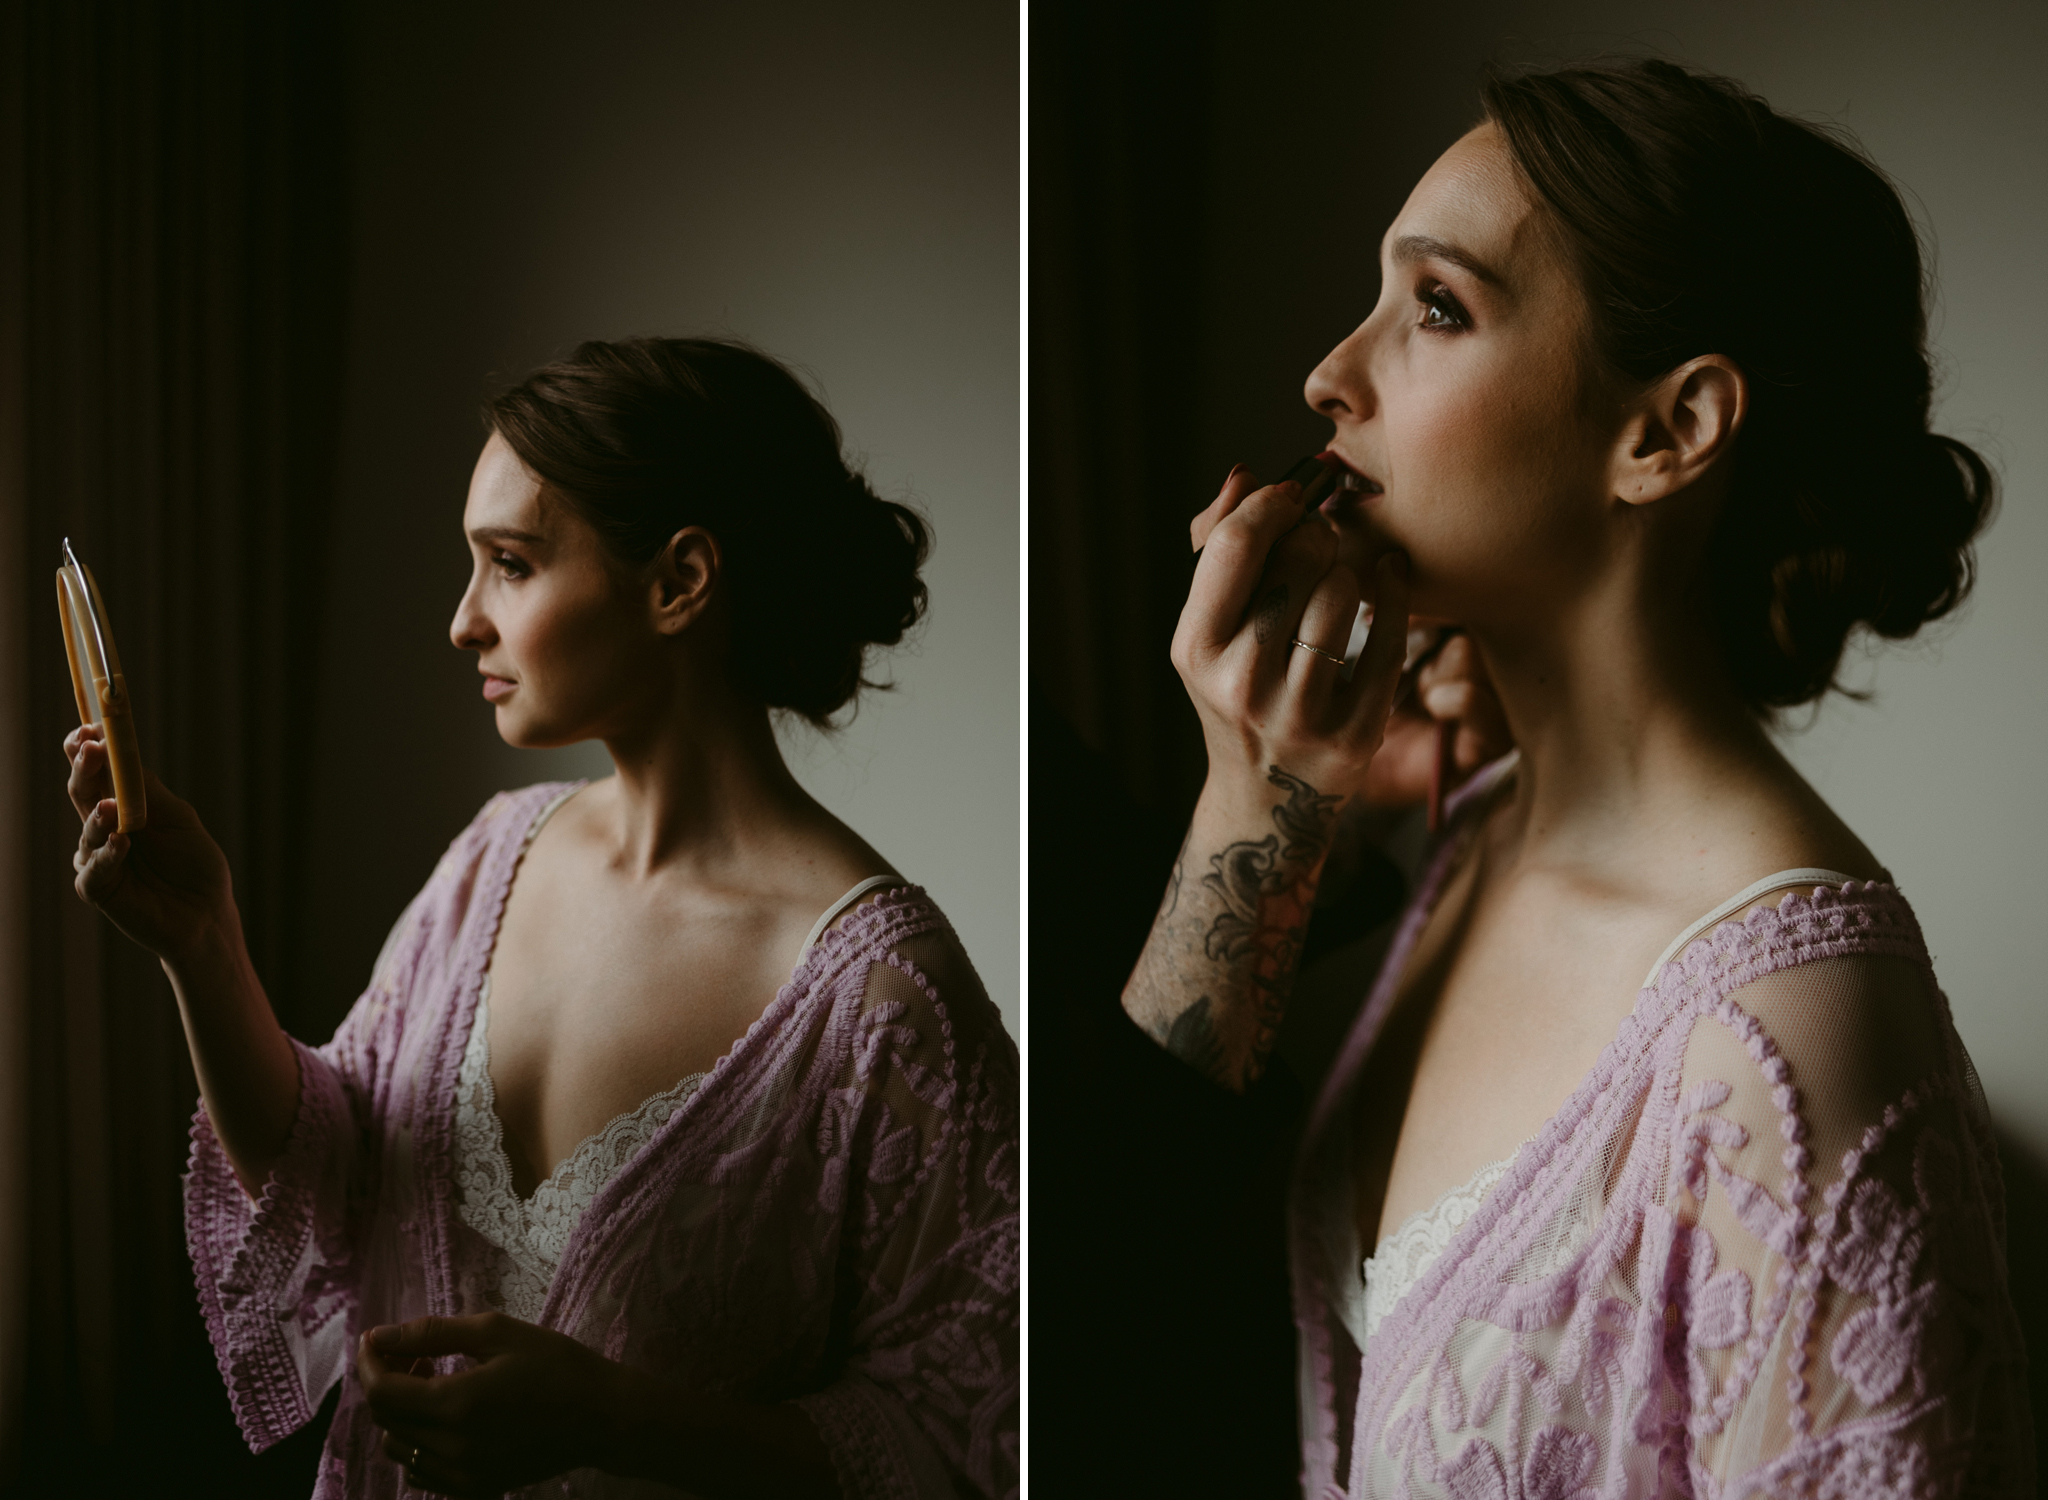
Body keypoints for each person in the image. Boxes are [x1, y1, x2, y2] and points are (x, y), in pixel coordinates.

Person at [1121, 59, 2032, 1497]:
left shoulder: (1790, 1040)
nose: (1326, 378)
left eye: (1435, 308)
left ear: (1666, 433)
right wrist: (1272, 808)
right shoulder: (1472, 834)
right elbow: (1113, 1275)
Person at [64, 337, 1018, 1500]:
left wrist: (617, 1420)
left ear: (678, 581)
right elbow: (338, 1171)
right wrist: (203, 944)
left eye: (509, 564)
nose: (463, 621)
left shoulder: (884, 1003)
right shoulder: (492, 858)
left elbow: (962, 1440)